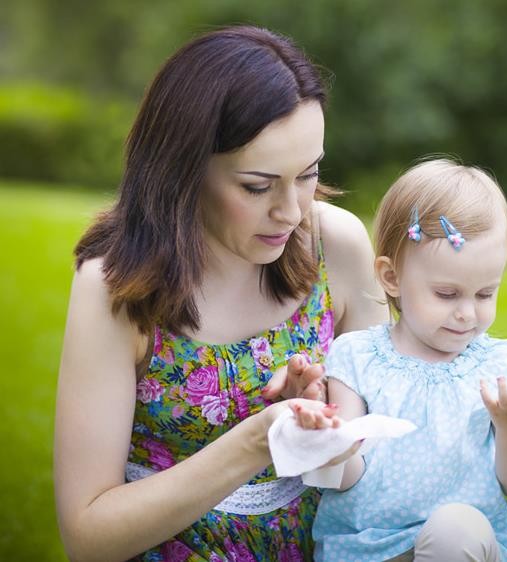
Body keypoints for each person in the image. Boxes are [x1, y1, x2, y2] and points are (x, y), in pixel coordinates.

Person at [53, 25, 388, 561]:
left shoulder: (337, 245)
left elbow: (390, 455)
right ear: (183, 168)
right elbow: (87, 537)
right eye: (257, 186)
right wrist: (259, 441)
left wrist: (326, 420)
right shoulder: (116, 284)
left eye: (309, 175)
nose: (292, 211)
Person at [293, 158, 507, 561]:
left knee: (455, 528)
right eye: (447, 294)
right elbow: (344, 479)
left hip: (459, 548)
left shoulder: (497, 370)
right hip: (371, 548)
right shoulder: (358, 358)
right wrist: (330, 443)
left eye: (485, 294)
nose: (468, 313)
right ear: (391, 277)